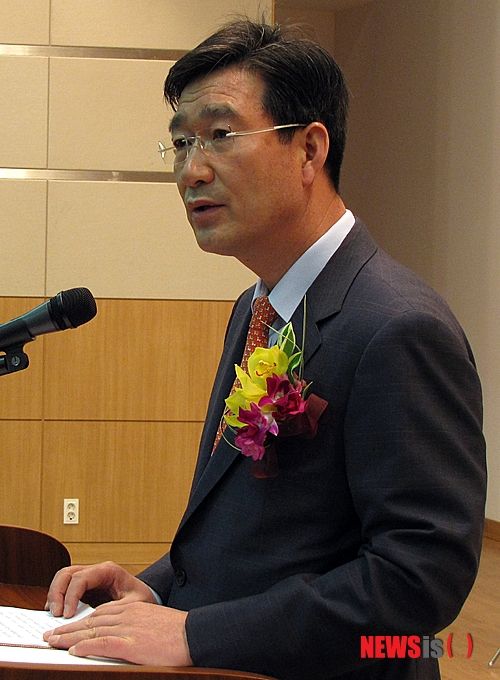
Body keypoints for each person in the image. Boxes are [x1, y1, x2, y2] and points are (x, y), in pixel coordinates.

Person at [43, 19, 487, 680]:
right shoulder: (258, 309)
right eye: (181, 143)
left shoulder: (395, 326)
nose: (192, 171)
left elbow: (419, 578)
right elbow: (260, 534)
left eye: (221, 136)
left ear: (309, 150)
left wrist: (200, 634)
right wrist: (157, 590)